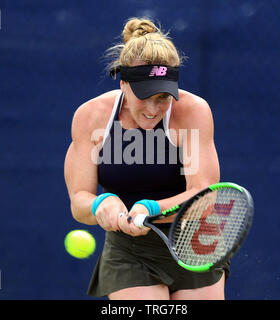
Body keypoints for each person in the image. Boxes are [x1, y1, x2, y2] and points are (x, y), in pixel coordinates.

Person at [64, 17, 229, 300]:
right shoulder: (91, 117)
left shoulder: (193, 111)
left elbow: (204, 197)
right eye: (144, 96)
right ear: (123, 83)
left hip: (196, 240)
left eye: (163, 97)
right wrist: (101, 203)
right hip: (130, 250)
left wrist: (151, 208)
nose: (154, 109)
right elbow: (79, 201)